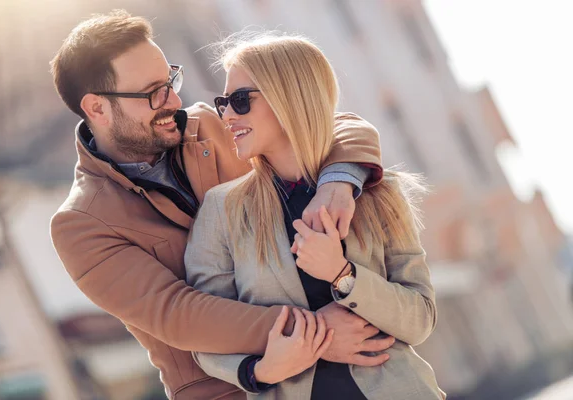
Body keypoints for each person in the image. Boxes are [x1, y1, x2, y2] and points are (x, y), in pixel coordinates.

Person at [49, 10, 394, 400]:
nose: (174, 100)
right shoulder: (80, 225)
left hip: (346, 367)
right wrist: (316, 332)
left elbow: (328, 124)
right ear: (96, 108)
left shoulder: (212, 124)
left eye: (171, 81)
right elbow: (177, 312)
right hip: (227, 389)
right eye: (153, 93)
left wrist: (338, 181)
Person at [185, 33, 446, 399]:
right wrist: (260, 370)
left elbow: (420, 319)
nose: (226, 115)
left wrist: (343, 276)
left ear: (288, 97)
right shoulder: (221, 210)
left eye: (240, 100)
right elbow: (206, 332)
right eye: (223, 103)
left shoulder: (376, 192)